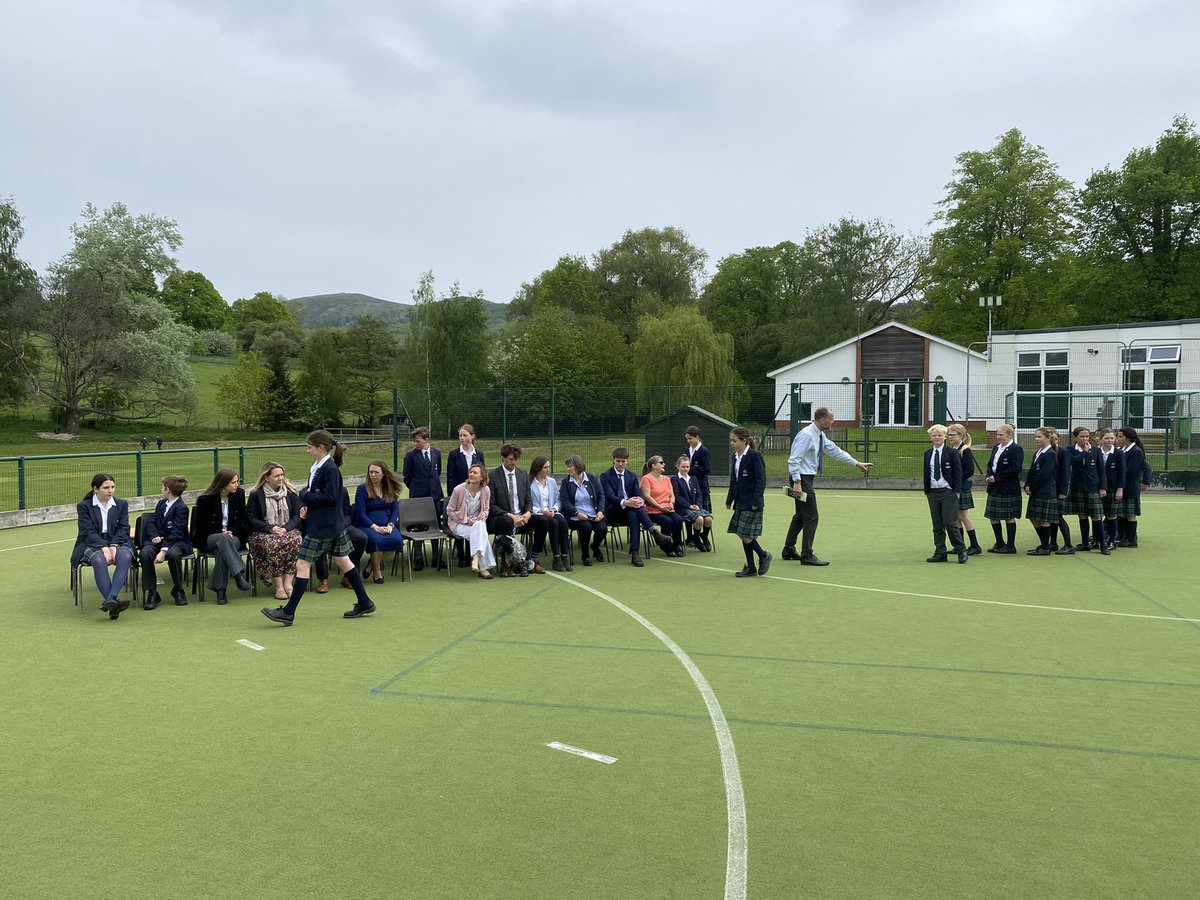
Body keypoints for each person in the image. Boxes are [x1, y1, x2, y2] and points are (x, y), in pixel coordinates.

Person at [263, 430, 376, 625]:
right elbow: (318, 493)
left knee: (302, 564)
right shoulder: (318, 466)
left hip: (324, 526)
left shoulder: (330, 469)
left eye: (310, 447)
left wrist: (305, 497)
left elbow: (331, 497)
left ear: (321, 448)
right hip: (328, 523)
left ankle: (289, 612)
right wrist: (307, 504)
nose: (308, 451)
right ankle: (365, 601)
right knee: (344, 561)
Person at [781, 407, 871, 566]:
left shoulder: (819, 435)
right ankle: (807, 555)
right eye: (831, 419)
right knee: (812, 516)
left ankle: (788, 549)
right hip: (801, 478)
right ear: (822, 420)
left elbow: (835, 451)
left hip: (805, 478)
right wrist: (797, 482)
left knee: (801, 516)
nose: (833, 421)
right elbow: (794, 460)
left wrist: (856, 463)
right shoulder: (807, 435)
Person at [72, 473, 135, 619]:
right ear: (95, 489)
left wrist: (113, 545)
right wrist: (104, 547)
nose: (110, 490)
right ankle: (114, 604)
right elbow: (87, 531)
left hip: (117, 540)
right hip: (91, 541)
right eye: (106, 487)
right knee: (99, 560)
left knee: (125, 555)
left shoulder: (121, 504)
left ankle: (111, 599)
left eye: (113, 487)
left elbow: (124, 528)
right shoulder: (84, 506)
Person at [601, 447, 673, 567]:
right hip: (613, 511)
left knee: (634, 514)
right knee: (635, 510)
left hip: (630, 510)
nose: (620, 464)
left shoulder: (631, 475)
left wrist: (639, 500)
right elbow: (609, 496)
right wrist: (626, 502)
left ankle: (635, 553)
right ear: (613, 460)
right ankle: (653, 532)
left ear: (627, 461)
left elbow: (638, 493)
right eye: (618, 461)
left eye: (623, 461)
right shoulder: (606, 476)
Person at [190, 468, 252, 605]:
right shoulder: (205, 500)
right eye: (233, 482)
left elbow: (242, 519)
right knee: (222, 540)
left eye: (238, 482)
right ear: (223, 484)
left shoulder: (239, 494)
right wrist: (221, 532)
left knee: (222, 549)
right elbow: (202, 525)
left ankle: (221, 590)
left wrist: (232, 531)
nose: (237, 485)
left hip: (233, 537)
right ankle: (238, 576)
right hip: (210, 537)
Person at [246, 461, 303, 601]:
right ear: (266, 477)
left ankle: (288, 583)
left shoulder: (290, 492)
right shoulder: (256, 494)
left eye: (282, 475)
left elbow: (297, 516)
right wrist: (270, 528)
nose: (281, 478)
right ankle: (279, 586)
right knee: (272, 544)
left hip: (287, 529)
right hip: (263, 531)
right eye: (277, 475)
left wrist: (286, 528)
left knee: (296, 540)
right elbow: (251, 518)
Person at [487, 444, 546, 574]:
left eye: (516, 459)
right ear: (503, 458)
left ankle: (533, 559)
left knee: (543, 521)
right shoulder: (493, 476)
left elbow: (528, 499)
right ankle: (506, 565)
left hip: (521, 517)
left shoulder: (522, 474)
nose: (513, 462)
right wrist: (510, 515)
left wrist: (528, 513)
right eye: (510, 459)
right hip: (502, 518)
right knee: (507, 522)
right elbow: (491, 506)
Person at [139, 474, 192, 608]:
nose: (161, 489)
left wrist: (163, 551)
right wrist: (154, 535)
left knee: (173, 554)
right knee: (145, 553)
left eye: (163, 487)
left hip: (176, 542)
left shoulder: (182, 508)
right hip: (158, 540)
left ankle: (178, 589)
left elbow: (176, 532)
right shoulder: (161, 503)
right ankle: (152, 593)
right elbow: (152, 522)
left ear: (167, 489)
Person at [726, 427, 771, 577]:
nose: (732, 443)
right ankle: (751, 567)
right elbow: (734, 480)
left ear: (744, 441)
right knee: (743, 535)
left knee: (744, 534)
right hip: (740, 501)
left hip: (752, 502)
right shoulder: (735, 457)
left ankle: (763, 555)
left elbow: (761, 480)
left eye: (734, 440)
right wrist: (730, 499)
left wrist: (756, 500)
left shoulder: (754, 456)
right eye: (731, 440)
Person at [922, 425, 968, 564]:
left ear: (945, 437)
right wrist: (927, 490)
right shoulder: (928, 453)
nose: (937, 438)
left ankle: (961, 549)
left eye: (940, 435)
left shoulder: (952, 453)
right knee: (937, 524)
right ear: (930, 437)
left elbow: (958, 473)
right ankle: (940, 552)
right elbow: (927, 472)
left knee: (949, 522)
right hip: (933, 492)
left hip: (948, 491)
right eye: (934, 435)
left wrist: (957, 491)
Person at [354, 460, 404, 584]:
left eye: (376, 472)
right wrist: (374, 527)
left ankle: (370, 565)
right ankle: (377, 571)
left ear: (383, 474)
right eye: (371, 472)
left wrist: (391, 525)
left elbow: (395, 510)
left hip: (387, 525)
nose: (373, 475)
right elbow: (360, 513)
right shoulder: (362, 489)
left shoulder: (390, 488)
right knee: (377, 540)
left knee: (396, 541)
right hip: (367, 525)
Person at [402, 427, 444, 571]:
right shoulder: (411, 456)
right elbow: (406, 476)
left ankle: (436, 558)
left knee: (435, 526)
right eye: (414, 441)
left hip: (435, 496)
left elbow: (437, 473)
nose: (416, 444)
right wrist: (416, 488)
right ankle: (418, 558)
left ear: (426, 440)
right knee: (419, 527)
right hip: (418, 498)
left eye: (418, 441)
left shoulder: (436, 453)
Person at [445, 463, 496, 578]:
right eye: (470, 472)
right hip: (458, 523)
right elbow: (450, 511)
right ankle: (483, 568)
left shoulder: (486, 490)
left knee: (480, 527)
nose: (471, 474)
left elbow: (486, 509)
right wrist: (466, 520)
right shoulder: (458, 490)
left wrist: (483, 515)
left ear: (482, 477)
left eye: (475, 472)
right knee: (481, 532)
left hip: (477, 523)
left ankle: (476, 558)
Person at [314, 487, 369, 591]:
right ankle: (323, 579)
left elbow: (347, 513)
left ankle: (349, 576)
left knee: (361, 538)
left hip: (341, 525)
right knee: (318, 540)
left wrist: (341, 525)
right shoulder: (310, 492)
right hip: (320, 527)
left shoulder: (342, 490)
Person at [1065, 426, 1109, 555]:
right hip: (1077, 487)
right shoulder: (1070, 449)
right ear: (1076, 437)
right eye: (1082, 436)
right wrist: (1084, 452)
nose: (1085, 439)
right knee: (1082, 516)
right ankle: (1085, 543)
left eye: (1087, 436)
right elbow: (1072, 462)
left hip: (1092, 487)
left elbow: (1101, 470)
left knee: (1096, 517)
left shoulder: (1095, 450)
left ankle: (1102, 546)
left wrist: (1103, 487)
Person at [446, 424, 485, 566]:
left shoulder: (479, 454)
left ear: (472, 436)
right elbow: (450, 477)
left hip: (474, 494)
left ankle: (471, 555)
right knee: (461, 521)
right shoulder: (454, 454)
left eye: (465, 435)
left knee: (473, 522)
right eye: (460, 436)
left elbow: (483, 474)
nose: (462, 438)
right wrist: (453, 495)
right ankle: (461, 555)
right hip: (459, 495)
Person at [984, 423, 1025, 554]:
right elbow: (990, 464)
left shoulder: (1016, 449)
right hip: (994, 487)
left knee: (1009, 517)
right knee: (993, 516)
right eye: (997, 434)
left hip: (1008, 488)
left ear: (1009, 435)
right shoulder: (996, 447)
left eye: (1001, 435)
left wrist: (997, 477)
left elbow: (1015, 469)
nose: (998, 437)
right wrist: (989, 475)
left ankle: (1011, 546)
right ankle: (1000, 542)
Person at [560, 455, 608, 566]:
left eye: (570, 466)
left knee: (602, 529)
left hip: (593, 513)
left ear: (578, 466)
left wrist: (600, 511)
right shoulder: (566, 482)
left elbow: (601, 495)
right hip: (575, 516)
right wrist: (576, 513)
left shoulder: (592, 478)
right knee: (586, 527)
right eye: (568, 467)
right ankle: (585, 554)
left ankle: (595, 546)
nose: (568, 469)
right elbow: (565, 501)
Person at [528, 455, 572, 571]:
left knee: (562, 522)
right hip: (537, 513)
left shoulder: (551, 482)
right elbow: (527, 502)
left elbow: (558, 499)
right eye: (545, 467)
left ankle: (564, 556)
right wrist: (541, 511)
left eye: (548, 467)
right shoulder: (530, 483)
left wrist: (554, 509)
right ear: (538, 469)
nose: (548, 470)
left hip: (551, 511)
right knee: (553, 523)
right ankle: (556, 558)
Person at [1023, 426, 1060, 556]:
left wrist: (1032, 487)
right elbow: (1032, 471)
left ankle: (1045, 547)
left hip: (1045, 491)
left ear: (1048, 438)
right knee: (1034, 518)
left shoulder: (1050, 454)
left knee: (1043, 519)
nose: (1036, 439)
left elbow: (1044, 474)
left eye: (1039, 436)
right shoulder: (1038, 452)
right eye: (1035, 436)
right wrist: (1027, 485)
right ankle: (1044, 543)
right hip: (1036, 490)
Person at [945, 424, 981, 555]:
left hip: (962, 487)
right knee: (956, 518)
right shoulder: (952, 449)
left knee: (964, 516)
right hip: (954, 487)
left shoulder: (965, 450)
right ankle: (960, 546)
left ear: (961, 435)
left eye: (952, 435)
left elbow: (970, 470)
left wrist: (957, 479)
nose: (950, 437)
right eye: (949, 435)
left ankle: (975, 546)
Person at [640, 455, 685, 556]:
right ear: (653, 465)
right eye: (661, 462)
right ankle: (666, 546)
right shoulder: (646, 479)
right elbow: (647, 497)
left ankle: (676, 545)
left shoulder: (666, 479)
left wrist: (671, 504)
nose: (663, 464)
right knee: (667, 521)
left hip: (667, 508)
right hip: (653, 510)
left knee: (677, 520)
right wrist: (661, 508)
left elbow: (672, 495)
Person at [672, 455, 713, 551]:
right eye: (683, 467)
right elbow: (677, 496)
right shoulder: (674, 479)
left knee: (708, 519)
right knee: (699, 519)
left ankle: (703, 537)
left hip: (695, 507)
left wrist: (697, 505)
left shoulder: (693, 479)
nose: (686, 469)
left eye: (687, 467)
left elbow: (699, 494)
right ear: (677, 466)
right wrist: (689, 505)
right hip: (682, 509)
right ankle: (697, 540)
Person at [1115, 426, 1146, 548]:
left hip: (1130, 487)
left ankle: (1132, 539)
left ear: (1128, 438)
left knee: (1130, 514)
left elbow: (1131, 471)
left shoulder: (1136, 451)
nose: (1118, 439)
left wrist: (1117, 477)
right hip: (1124, 485)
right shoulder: (1124, 449)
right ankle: (1124, 537)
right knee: (1122, 513)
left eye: (1120, 436)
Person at [1046, 427, 1075, 554]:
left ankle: (1068, 545)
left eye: (1056, 438)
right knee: (1051, 518)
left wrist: (1063, 491)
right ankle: (1053, 543)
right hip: (1048, 490)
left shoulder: (1063, 452)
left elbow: (1066, 473)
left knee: (1058, 517)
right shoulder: (1045, 451)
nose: (1054, 441)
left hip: (1058, 490)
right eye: (1051, 438)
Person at [1097, 427, 1125, 551]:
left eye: (1112, 438)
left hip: (1113, 489)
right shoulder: (1096, 451)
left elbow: (1122, 472)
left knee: (1111, 516)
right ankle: (1097, 540)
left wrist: (1120, 489)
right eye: (1107, 438)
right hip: (1098, 489)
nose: (1110, 440)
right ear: (1101, 439)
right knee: (1096, 515)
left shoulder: (1119, 453)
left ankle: (1112, 541)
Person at [684, 426, 713, 513]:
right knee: (689, 512)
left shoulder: (704, 451)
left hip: (701, 486)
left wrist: (689, 469)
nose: (688, 441)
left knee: (704, 514)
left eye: (690, 438)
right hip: (689, 485)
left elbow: (706, 469)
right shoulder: (687, 450)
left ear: (697, 437)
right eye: (687, 439)